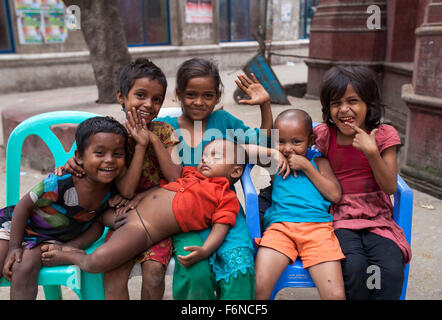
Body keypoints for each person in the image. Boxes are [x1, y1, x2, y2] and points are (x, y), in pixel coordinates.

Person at [55, 58, 181, 300]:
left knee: (154, 273)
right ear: (121, 96)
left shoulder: (164, 131)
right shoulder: (113, 137)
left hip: (158, 221)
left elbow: (176, 176)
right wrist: (139, 146)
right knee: (113, 276)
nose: (148, 104)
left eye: (156, 99)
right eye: (141, 95)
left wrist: (151, 140)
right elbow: (125, 191)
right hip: (123, 220)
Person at [154, 57, 273, 300]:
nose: (199, 102)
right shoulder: (164, 128)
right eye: (191, 95)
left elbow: (263, 143)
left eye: (208, 95)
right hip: (184, 213)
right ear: (178, 94)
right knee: (194, 269)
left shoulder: (224, 121)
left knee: (239, 264)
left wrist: (265, 106)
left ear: (217, 96)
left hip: (225, 210)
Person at [40, 139, 247, 277]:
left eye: (214, 156)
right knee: (96, 218)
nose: (205, 160)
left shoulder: (225, 196)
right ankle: (73, 243)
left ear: (236, 170)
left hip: (141, 229)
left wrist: (205, 250)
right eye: (204, 156)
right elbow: (163, 187)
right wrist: (139, 197)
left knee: (97, 262)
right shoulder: (191, 174)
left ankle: (72, 256)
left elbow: (221, 227)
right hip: (125, 213)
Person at [0, 116, 128, 299]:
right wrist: (14, 246)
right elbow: (23, 206)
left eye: (118, 154)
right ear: (79, 157)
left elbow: (97, 225)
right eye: (99, 153)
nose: (109, 160)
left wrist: (69, 247)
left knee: (24, 266)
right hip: (14, 226)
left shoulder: (114, 189)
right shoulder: (61, 183)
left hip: (50, 239)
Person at [314, 65, 412, 299]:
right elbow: (285, 139)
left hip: (377, 217)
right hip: (339, 217)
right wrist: (266, 106)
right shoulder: (325, 135)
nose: (344, 109)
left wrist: (372, 153)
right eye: (336, 103)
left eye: (353, 101)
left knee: (389, 268)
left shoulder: (383, 134)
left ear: (369, 104)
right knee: (354, 267)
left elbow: (389, 187)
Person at [254, 109, 346, 300]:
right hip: (280, 229)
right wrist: (272, 150)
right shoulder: (276, 162)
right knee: (258, 287)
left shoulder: (319, 162)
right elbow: (248, 150)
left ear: (311, 140)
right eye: (281, 141)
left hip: (318, 230)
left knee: (335, 295)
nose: (288, 149)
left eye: (297, 142)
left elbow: (335, 195)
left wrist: (306, 166)